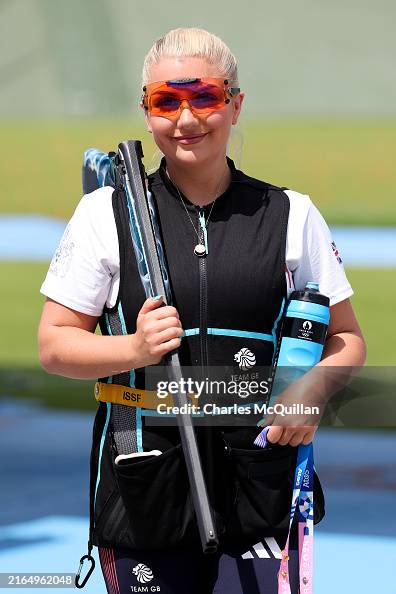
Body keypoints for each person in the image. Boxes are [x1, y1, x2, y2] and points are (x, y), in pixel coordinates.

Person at [38, 27, 366, 594]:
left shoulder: (292, 214)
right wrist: (133, 349)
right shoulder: (103, 215)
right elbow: (55, 344)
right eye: (166, 100)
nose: (186, 119)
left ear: (235, 105)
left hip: (261, 482)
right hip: (143, 486)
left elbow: (347, 340)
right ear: (147, 113)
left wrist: (307, 395)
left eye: (205, 98)